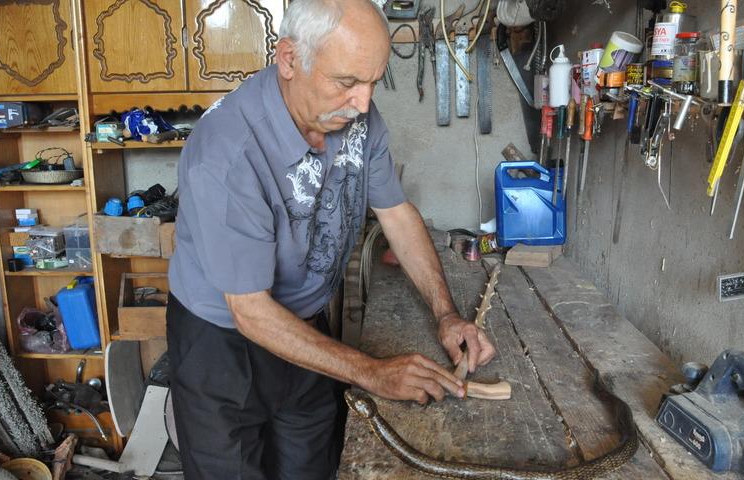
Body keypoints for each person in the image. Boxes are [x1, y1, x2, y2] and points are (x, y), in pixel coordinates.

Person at [165, 0, 497, 478]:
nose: (363, 103)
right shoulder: (227, 153)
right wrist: (372, 372)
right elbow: (251, 311)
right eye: (347, 83)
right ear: (289, 59)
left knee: (313, 463)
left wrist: (446, 314)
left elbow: (397, 215)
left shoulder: (357, 119)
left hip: (307, 325)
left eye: (373, 82)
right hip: (222, 343)